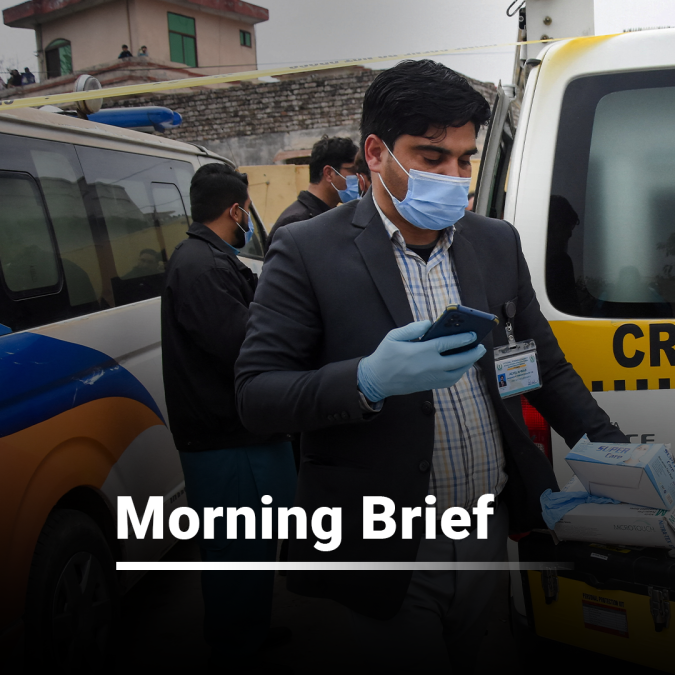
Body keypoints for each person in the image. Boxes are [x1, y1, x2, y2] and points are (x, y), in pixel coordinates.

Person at [235, 59, 627, 671]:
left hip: (486, 532)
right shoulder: (309, 250)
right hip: (388, 549)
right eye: (431, 157)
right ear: (376, 153)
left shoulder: (494, 243)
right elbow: (257, 395)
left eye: (465, 160)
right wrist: (365, 381)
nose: (453, 177)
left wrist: (618, 457)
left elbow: (544, 368)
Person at [161, 163, 295, 670]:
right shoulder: (203, 268)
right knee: (235, 550)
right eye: (247, 212)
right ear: (236, 210)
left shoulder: (209, 258)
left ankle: (248, 632)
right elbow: (244, 348)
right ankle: (234, 648)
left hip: (236, 432)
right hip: (226, 438)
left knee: (252, 546)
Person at [267, 135, 358, 246]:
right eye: (353, 171)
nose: (358, 178)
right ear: (329, 173)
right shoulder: (295, 222)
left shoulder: (332, 215)